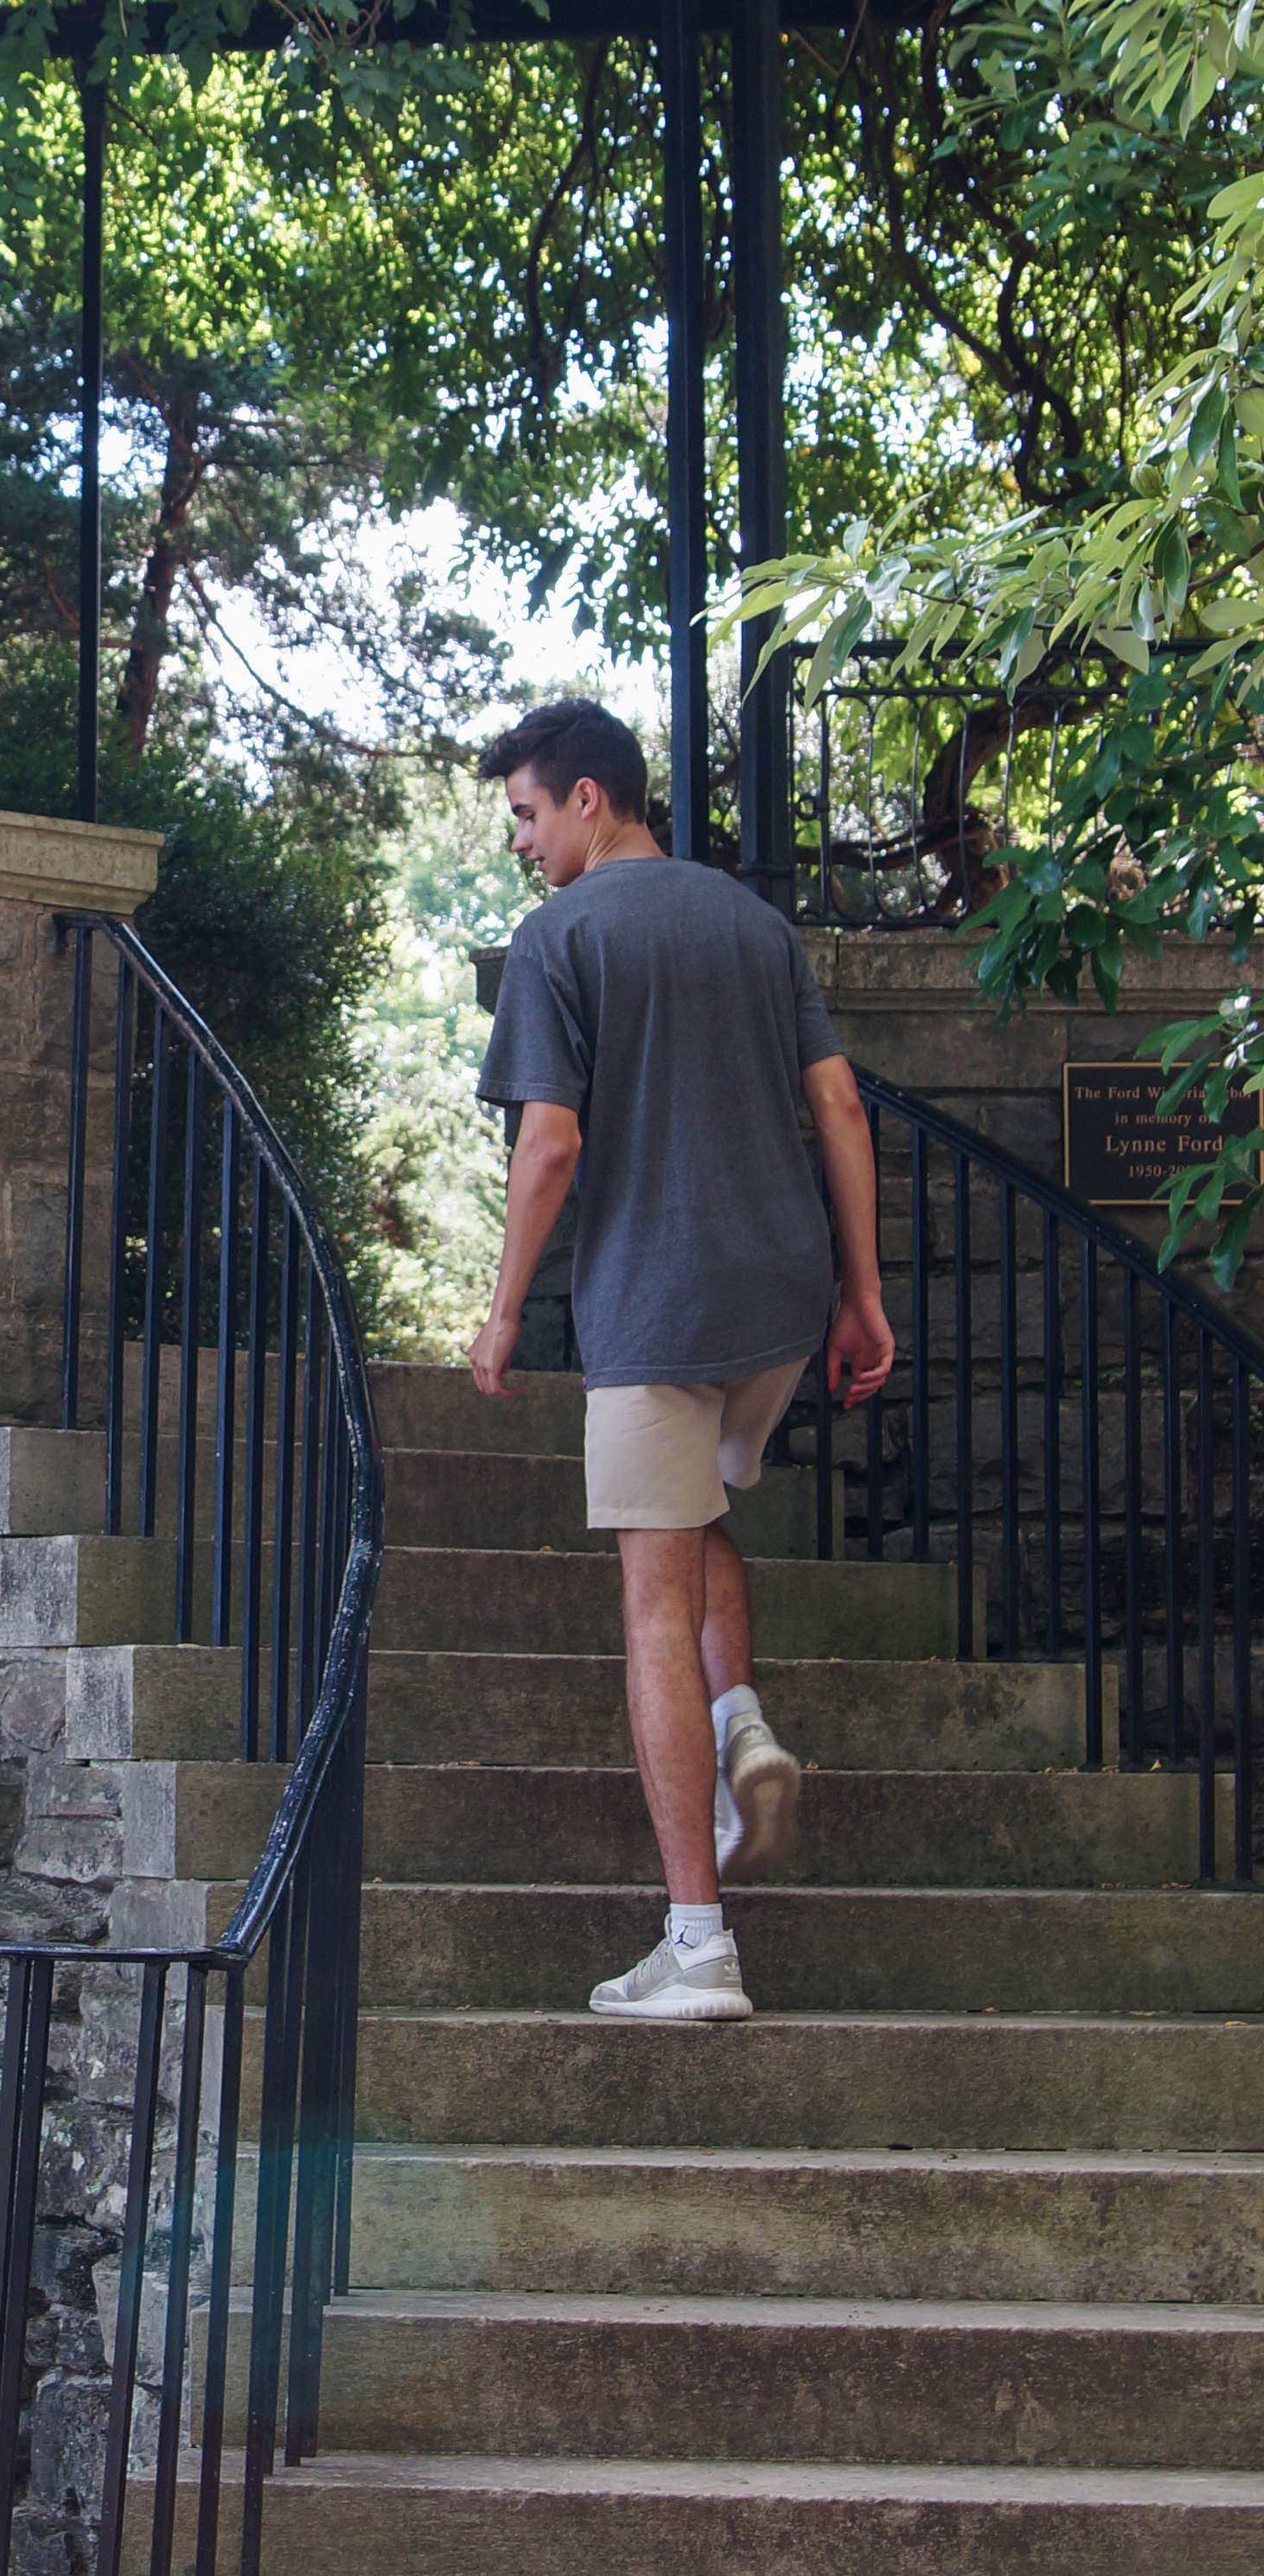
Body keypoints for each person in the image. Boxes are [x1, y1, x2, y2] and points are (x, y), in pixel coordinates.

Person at [469, 698, 895, 2022]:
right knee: (699, 1509)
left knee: (650, 1595)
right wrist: (862, 1291)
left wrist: (500, 1313)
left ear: (589, 798)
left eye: (529, 815)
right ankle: (743, 1723)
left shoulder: (562, 938)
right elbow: (836, 1102)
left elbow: (550, 1145)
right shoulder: (755, 925)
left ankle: (698, 1943)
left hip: (658, 1303)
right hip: (781, 1296)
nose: (524, 844)